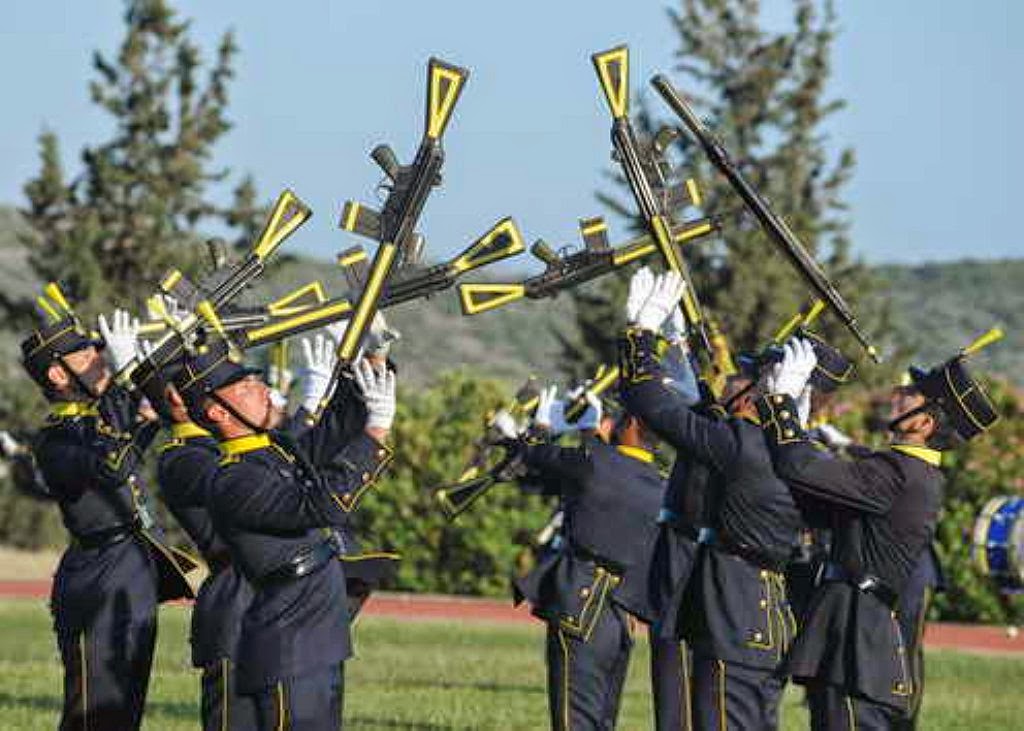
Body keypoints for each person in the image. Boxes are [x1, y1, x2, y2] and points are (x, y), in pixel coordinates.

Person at [755, 338, 999, 729]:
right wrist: (791, 425)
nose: (898, 392)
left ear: (924, 423)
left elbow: (800, 467)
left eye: (911, 393)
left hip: (857, 644)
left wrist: (782, 404)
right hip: (850, 636)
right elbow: (813, 498)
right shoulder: (906, 471)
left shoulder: (899, 473)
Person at [172, 334, 395, 730]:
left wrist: (372, 357)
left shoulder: (270, 451)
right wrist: (376, 434)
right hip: (291, 632)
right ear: (218, 413)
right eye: (243, 388)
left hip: (314, 621)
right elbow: (320, 505)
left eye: (254, 382)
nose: (261, 389)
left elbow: (338, 429)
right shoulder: (232, 479)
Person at [617, 269, 803, 731]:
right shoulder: (801, 454)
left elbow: (653, 404)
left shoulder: (738, 445)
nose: (730, 383)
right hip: (766, 612)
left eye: (742, 378)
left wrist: (641, 332)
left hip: (724, 603)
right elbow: (703, 417)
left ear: (755, 397)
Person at [21, 297, 195, 729]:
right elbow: (114, 463)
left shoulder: (96, 419)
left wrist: (179, 344)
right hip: (97, 573)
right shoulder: (55, 438)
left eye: (100, 352)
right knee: (94, 710)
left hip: (131, 564)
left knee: (124, 706)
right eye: (85, 353)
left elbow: (151, 419)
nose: (98, 359)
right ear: (58, 374)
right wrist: (119, 381)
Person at [499, 384, 665, 730]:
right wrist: (591, 433)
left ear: (632, 424)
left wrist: (541, 427)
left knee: (573, 718)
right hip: (619, 616)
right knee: (601, 719)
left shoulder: (597, 463)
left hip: (581, 603)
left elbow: (537, 455)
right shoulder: (660, 484)